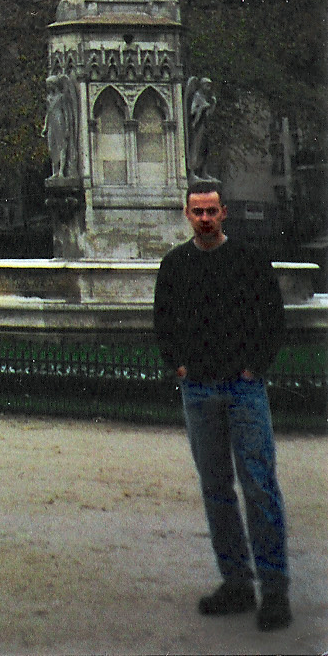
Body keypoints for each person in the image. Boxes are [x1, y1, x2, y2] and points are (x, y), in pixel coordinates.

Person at [153, 184, 290, 632]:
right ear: (187, 215)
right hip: (199, 389)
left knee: (259, 487)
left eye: (212, 210)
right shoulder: (175, 264)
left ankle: (273, 590)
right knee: (216, 490)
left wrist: (256, 366)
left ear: (224, 213)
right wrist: (178, 364)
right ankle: (236, 582)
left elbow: (272, 317)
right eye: (198, 211)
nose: (206, 218)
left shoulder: (248, 260)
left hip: (242, 388)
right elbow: (163, 320)